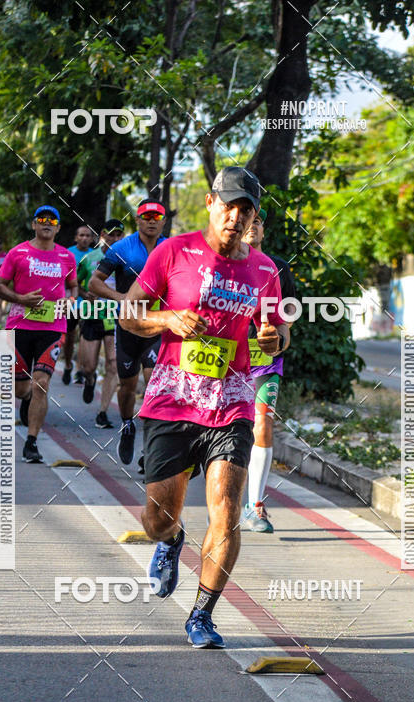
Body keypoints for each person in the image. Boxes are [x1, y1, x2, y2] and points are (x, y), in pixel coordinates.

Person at [120, 166, 289, 649]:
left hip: (232, 404)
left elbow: (280, 332)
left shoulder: (265, 270)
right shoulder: (174, 251)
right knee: (157, 520)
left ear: (254, 217)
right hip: (172, 401)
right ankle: (172, 540)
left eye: (246, 210)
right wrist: (168, 318)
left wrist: (274, 339)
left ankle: (202, 614)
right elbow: (129, 313)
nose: (236, 217)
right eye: (229, 205)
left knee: (227, 511)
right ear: (211, 203)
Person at [0, 205, 77, 463]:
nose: (46, 223)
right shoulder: (17, 253)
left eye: (52, 220)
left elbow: (73, 287)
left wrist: (70, 301)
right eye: (41, 219)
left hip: (53, 328)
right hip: (19, 326)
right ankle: (27, 396)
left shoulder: (66, 257)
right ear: (33, 224)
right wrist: (20, 298)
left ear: (58, 228)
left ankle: (31, 442)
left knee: (41, 383)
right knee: (20, 389)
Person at [89, 200, 167, 464]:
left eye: (157, 217)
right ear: (138, 220)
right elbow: (94, 283)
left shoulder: (171, 248)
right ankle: (127, 424)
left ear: (163, 221)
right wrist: (121, 297)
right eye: (146, 216)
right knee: (127, 387)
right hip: (127, 327)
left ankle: (150, 449)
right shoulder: (121, 248)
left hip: (156, 328)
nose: (152, 221)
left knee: (154, 384)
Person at [241, 208, 296, 532]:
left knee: (263, 425)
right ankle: (222, 500)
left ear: (263, 231)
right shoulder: (221, 264)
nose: (253, 226)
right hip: (226, 360)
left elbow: (286, 321)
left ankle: (255, 504)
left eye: (258, 221)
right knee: (227, 429)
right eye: (248, 220)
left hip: (265, 360)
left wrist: (278, 343)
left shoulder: (278, 267)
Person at [77, 219, 124, 426]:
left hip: (115, 317)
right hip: (92, 315)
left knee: (113, 364)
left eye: (119, 235)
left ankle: (102, 412)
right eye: (111, 234)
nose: (115, 238)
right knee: (88, 366)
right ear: (103, 235)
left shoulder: (126, 260)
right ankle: (90, 379)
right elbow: (75, 283)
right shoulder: (90, 258)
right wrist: (85, 295)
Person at [62, 224, 94, 385]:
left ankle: (80, 370)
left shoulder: (95, 255)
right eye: (81, 235)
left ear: (92, 239)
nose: (84, 238)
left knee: (84, 337)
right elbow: (64, 279)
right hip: (70, 301)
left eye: (88, 235)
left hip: (88, 305)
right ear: (76, 238)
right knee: (70, 336)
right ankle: (68, 365)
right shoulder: (68, 254)